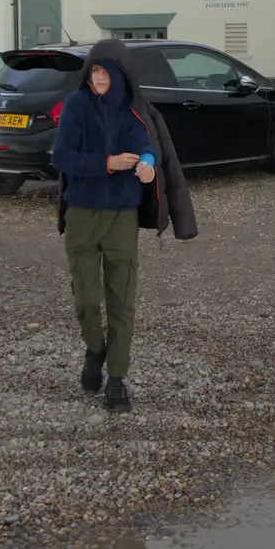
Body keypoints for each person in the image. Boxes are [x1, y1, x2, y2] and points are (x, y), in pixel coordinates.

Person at [54, 40, 196, 411]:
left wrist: (147, 164)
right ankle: (95, 349)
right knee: (87, 299)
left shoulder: (133, 111)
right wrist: (107, 164)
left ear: (119, 75)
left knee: (122, 300)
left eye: (105, 73)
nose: (99, 79)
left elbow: (146, 145)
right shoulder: (76, 106)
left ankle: (116, 379)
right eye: (94, 72)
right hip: (83, 215)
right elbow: (62, 156)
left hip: (122, 218)